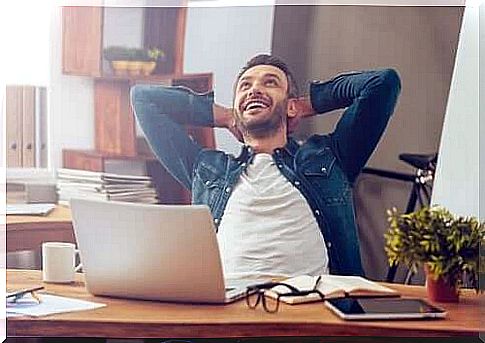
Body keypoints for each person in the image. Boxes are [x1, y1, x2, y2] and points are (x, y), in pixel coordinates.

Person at [130, 54, 401, 278]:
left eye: (270, 83)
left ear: (291, 105)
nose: (255, 89)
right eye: (245, 86)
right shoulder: (208, 169)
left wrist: (306, 105)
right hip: (226, 321)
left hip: (312, 319)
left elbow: (382, 83)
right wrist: (225, 116)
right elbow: (143, 99)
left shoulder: (330, 158)